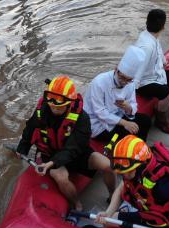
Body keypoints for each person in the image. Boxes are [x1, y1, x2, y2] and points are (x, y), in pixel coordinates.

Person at [16, 76, 115, 211]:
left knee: (108, 166)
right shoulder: (42, 111)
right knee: (61, 177)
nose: (54, 108)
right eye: (51, 104)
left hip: (76, 153)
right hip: (49, 153)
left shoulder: (82, 118)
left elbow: (74, 148)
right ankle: (76, 204)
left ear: (69, 102)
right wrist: (22, 148)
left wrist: (52, 163)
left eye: (59, 106)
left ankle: (113, 196)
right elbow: (29, 129)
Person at [134, 9, 169, 135]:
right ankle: (161, 120)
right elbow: (138, 73)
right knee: (167, 93)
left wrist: (164, 62)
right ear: (163, 27)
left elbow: (158, 51)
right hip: (145, 82)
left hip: (156, 74)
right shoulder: (147, 46)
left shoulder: (151, 36)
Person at [84, 45, 152, 141]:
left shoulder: (130, 83)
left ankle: (139, 148)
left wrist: (128, 107)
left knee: (146, 120)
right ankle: (129, 151)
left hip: (118, 115)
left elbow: (133, 104)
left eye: (128, 80)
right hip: (98, 123)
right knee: (129, 135)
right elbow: (100, 112)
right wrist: (125, 123)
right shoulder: (99, 82)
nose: (124, 82)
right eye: (122, 77)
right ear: (116, 69)